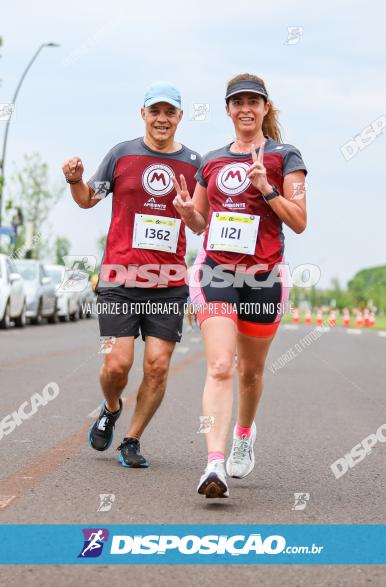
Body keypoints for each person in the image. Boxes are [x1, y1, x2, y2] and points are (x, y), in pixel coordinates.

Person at [173, 73, 308, 498]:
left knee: (250, 372)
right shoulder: (210, 161)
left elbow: (300, 220)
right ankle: (214, 464)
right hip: (216, 272)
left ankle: (244, 433)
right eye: (237, 102)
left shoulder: (286, 156)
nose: (245, 108)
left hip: (265, 276)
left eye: (254, 101)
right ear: (228, 109)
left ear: (265, 108)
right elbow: (199, 222)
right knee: (219, 365)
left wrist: (266, 188)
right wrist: (184, 212)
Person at [62, 81, 201, 468]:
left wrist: (190, 212)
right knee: (116, 365)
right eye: (154, 111)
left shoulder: (194, 164)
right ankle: (111, 406)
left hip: (169, 283)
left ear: (179, 117)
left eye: (169, 112)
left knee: (157, 365)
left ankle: (132, 439)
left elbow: (202, 221)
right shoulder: (121, 155)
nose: (162, 118)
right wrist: (75, 179)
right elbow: (89, 199)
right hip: (119, 281)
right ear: (143, 114)